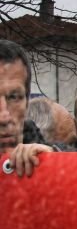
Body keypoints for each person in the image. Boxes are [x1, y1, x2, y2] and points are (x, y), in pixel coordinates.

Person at [0, 40, 53, 177]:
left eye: (14, 97)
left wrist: (54, 165)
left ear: (27, 101)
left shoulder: (48, 154)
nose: (4, 117)